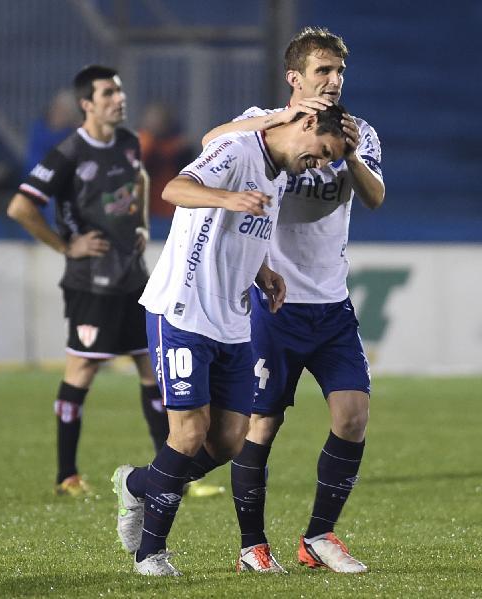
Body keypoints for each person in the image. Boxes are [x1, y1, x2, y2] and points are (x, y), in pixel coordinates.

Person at [111, 104, 352, 576]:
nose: (321, 164)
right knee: (189, 434)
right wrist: (229, 199)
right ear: (305, 125)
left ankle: (138, 484)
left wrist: (264, 271)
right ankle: (151, 553)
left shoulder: (279, 174)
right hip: (182, 307)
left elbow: (248, 232)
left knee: (227, 441)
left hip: (233, 317)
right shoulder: (238, 149)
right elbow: (175, 188)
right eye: (322, 152)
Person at [199, 26, 384, 574]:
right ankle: (251, 546)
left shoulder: (360, 132)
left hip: (330, 303)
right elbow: (212, 141)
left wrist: (349, 155)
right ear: (294, 78)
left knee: (352, 418)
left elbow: (374, 197)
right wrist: (271, 121)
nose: (332, 81)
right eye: (322, 70)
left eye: (339, 71)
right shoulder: (265, 123)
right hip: (270, 303)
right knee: (261, 426)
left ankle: (319, 537)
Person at [6, 66, 169, 496]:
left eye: (120, 90)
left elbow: (142, 179)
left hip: (133, 279)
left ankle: (170, 470)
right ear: (87, 104)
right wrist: (67, 246)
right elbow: (20, 208)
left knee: (150, 367)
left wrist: (143, 225)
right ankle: (67, 475)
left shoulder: (130, 143)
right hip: (90, 285)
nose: (120, 98)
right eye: (109, 93)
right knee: (82, 368)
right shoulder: (68, 154)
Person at [137, 101, 195, 218]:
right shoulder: (142, 142)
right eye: (155, 120)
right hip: (144, 213)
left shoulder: (178, 147)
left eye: (162, 120)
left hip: (169, 213)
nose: (158, 124)